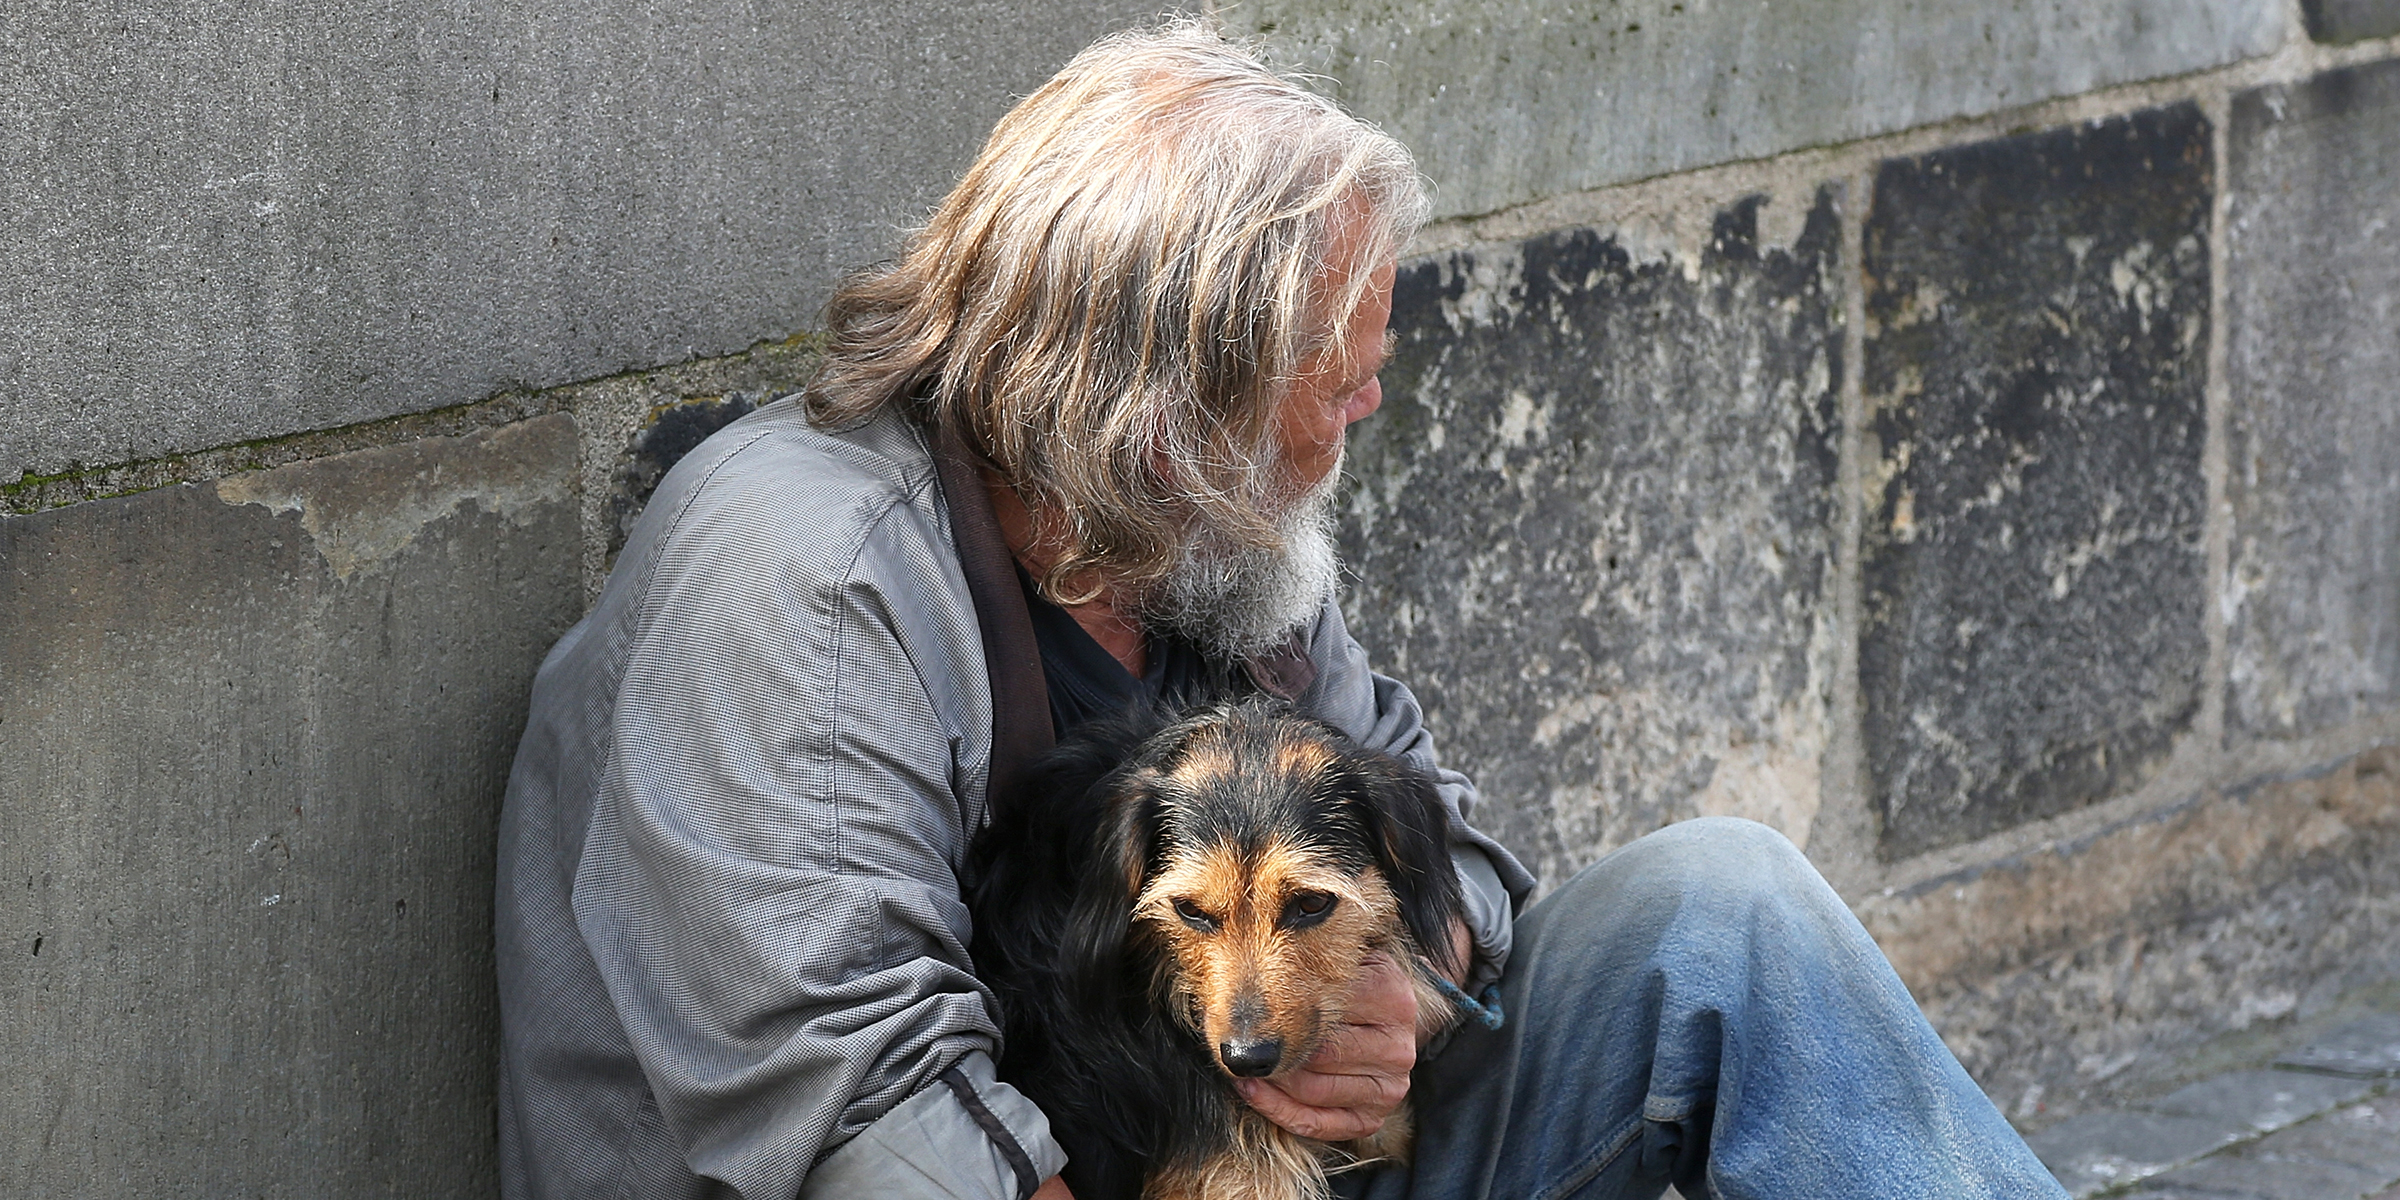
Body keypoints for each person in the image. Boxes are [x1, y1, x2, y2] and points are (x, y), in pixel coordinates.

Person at [494, 22, 2069, 1200]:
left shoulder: (1207, 536)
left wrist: (1399, 986)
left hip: (1271, 1150)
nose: (1364, 410)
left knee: (1725, 910)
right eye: (1334, 378)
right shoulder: (806, 578)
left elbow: (1441, 837)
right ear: (1167, 401)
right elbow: (867, 1128)